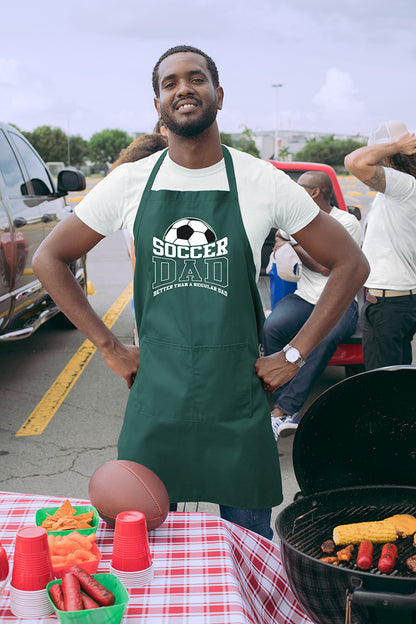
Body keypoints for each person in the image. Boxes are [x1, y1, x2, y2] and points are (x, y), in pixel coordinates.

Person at [32, 45, 369, 539]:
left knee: (248, 541)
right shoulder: (130, 182)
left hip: (237, 395)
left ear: (218, 94)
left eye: (196, 79)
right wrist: (110, 346)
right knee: (143, 540)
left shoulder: (262, 181)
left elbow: (351, 263)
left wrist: (294, 355)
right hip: (156, 394)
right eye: (170, 83)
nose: (183, 89)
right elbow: (49, 259)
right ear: (158, 104)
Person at [262, 171, 362, 439]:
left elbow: (326, 266)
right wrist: (291, 244)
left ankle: (282, 411)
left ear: (316, 192)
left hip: (340, 302)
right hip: (305, 297)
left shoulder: (346, 222)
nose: (296, 190)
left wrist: (292, 243)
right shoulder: (293, 219)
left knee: (324, 337)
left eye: (300, 187)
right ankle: (286, 403)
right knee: (272, 327)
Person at [345, 121, 416, 371]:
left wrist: (395, 145)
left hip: (389, 303)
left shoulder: (403, 186)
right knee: (399, 374)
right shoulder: (406, 188)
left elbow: (354, 162)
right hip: (403, 302)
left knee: (381, 382)